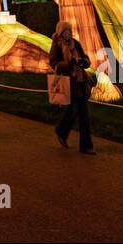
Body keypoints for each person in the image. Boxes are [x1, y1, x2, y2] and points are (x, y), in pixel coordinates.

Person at [49, 22, 95, 154]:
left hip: (80, 82)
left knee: (84, 116)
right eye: (66, 31)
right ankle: (61, 131)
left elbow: (86, 58)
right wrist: (69, 64)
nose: (69, 33)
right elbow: (54, 64)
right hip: (69, 83)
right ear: (61, 32)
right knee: (73, 111)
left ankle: (86, 146)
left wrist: (83, 61)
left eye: (70, 30)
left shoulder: (76, 44)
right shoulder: (57, 45)